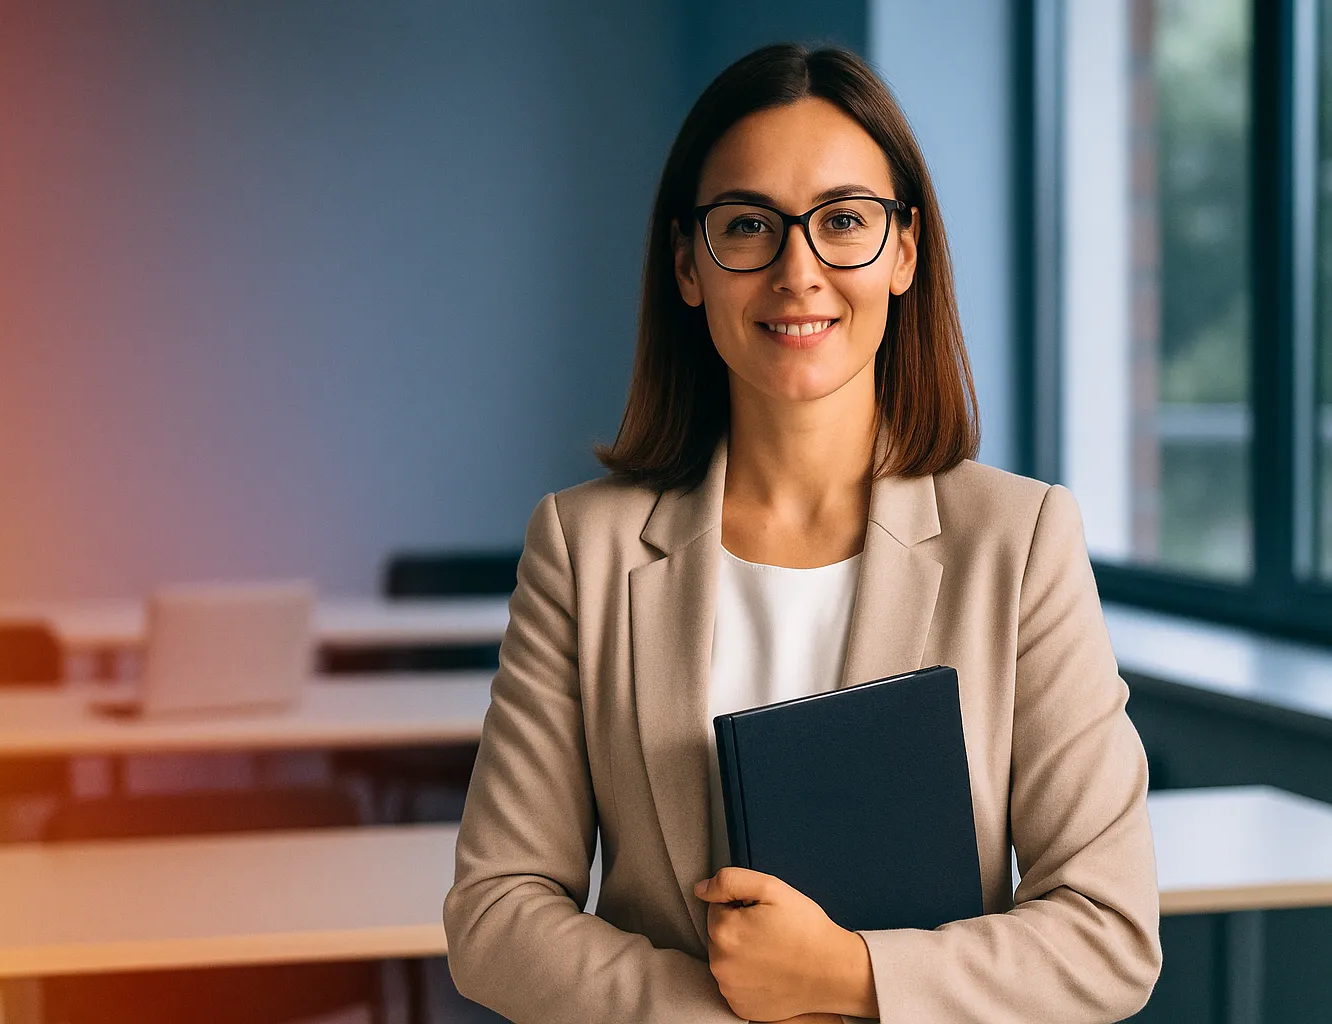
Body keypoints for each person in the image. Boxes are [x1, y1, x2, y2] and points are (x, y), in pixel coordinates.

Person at [443, 42, 1162, 1024]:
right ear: (689, 264)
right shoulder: (583, 548)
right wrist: (718, 1010)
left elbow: (1108, 931)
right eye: (747, 226)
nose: (798, 270)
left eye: (844, 222)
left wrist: (850, 978)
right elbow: (496, 912)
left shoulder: (1021, 541)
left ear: (904, 250)